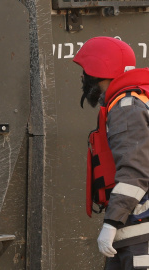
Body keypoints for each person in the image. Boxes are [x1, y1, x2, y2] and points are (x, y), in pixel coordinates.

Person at [73, 36, 149, 270]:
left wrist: (111, 223)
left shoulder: (127, 107)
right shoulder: (135, 100)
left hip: (140, 235)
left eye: (85, 72)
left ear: (98, 70)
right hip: (133, 234)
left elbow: (134, 173)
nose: (84, 79)